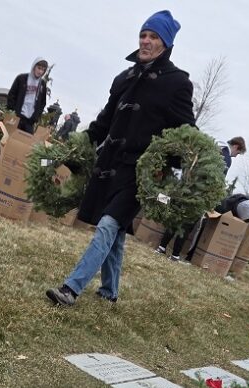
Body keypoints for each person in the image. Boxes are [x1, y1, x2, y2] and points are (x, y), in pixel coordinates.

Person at [46, 10, 194, 306]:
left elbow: (185, 131)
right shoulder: (124, 78)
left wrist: (172, 166)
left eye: (153, 36)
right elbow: (104, 121)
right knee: (115, 229)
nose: (146, 41)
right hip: (109, 165)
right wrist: (78, 145)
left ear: (166, 43)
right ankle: (109, 292)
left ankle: (71, 289)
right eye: (143, 35)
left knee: (108, 225)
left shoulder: (177, 83)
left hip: (140, 173)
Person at [156, 133, 246, 260]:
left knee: (176, 218)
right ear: (236, 146)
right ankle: (175, 255)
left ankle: (161, 247)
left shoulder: (212, 146)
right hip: (199, 193)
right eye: (238, 153)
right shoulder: (225, 157)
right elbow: (217, 180)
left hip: (185, 185)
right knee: (187, 224)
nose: (236, 156)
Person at [6, 58, 49, 133]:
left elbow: (43, 102)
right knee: (10, 138)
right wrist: (13, 110)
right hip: (17, 116)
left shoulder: (42, 84)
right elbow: (11, 95)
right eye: (39, 68)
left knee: (26, 142)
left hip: (30, 120)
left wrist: (36, 116)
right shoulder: (22, 78)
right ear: (34, 67)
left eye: (43, 70)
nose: (40, 71)